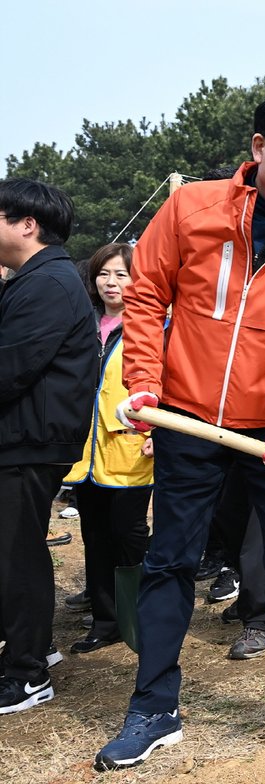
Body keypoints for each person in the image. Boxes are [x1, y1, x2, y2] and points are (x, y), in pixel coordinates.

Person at [95, 94, 265, 769]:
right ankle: (154, 705)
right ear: (261, 147)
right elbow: (147, 295)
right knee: (171, 560)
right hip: (186, 416)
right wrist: (143, 382)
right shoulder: (191, 208)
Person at [0, 179, 96, 715]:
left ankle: (27, 673)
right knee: (15, 551)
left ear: (27, 224)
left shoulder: (48, 283)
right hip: (24, 438)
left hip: (28, 439)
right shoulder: (36, 279)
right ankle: (29, 647)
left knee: (17, 555)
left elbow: (9, 368)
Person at [61, 243, 154, 655]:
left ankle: (143, 614)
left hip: (130, 448)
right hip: (85, 452)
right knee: (94, 534)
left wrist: (158, 432)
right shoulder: (82, 323)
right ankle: (105, 620)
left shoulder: (153, 327)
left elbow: (170, 386)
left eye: (121, 274)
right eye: (103, 273)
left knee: (128, 533)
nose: (110, 283)